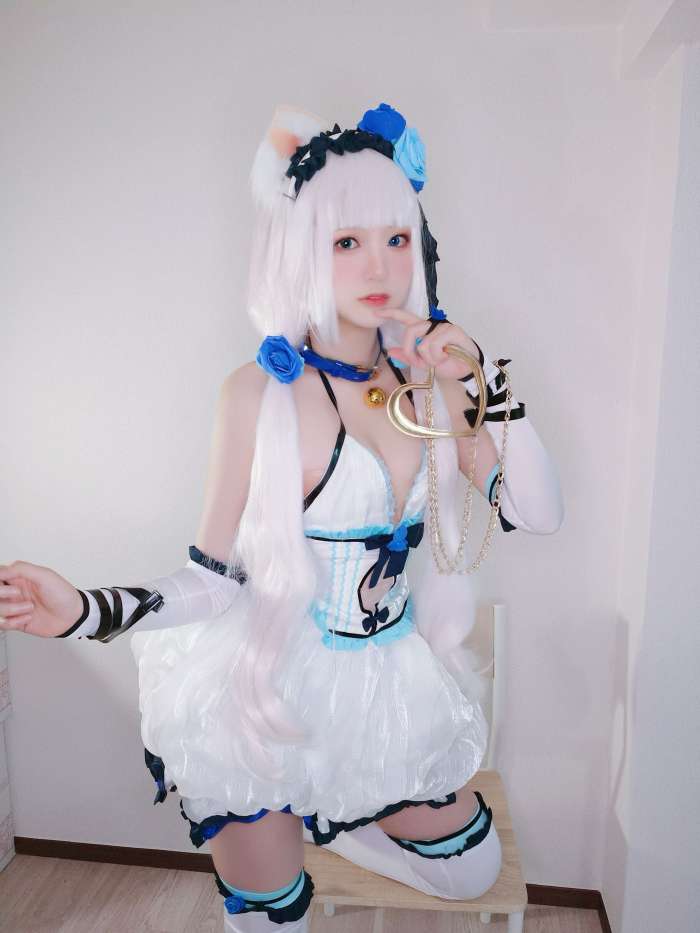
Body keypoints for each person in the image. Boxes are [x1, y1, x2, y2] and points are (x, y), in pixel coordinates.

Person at [0, 102, 564, 932]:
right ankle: (303, 831)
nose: (379, 264)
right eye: (346, 242)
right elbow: (210, 578)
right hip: (265, 683)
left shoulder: (436, 388)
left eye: (395, 237)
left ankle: (342, 822)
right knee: (274, 916)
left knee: (471, 867)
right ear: (301, 249)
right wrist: (87, 609)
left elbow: (536, 512)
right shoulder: (257, 393)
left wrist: (479, 373)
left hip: (384, 682)